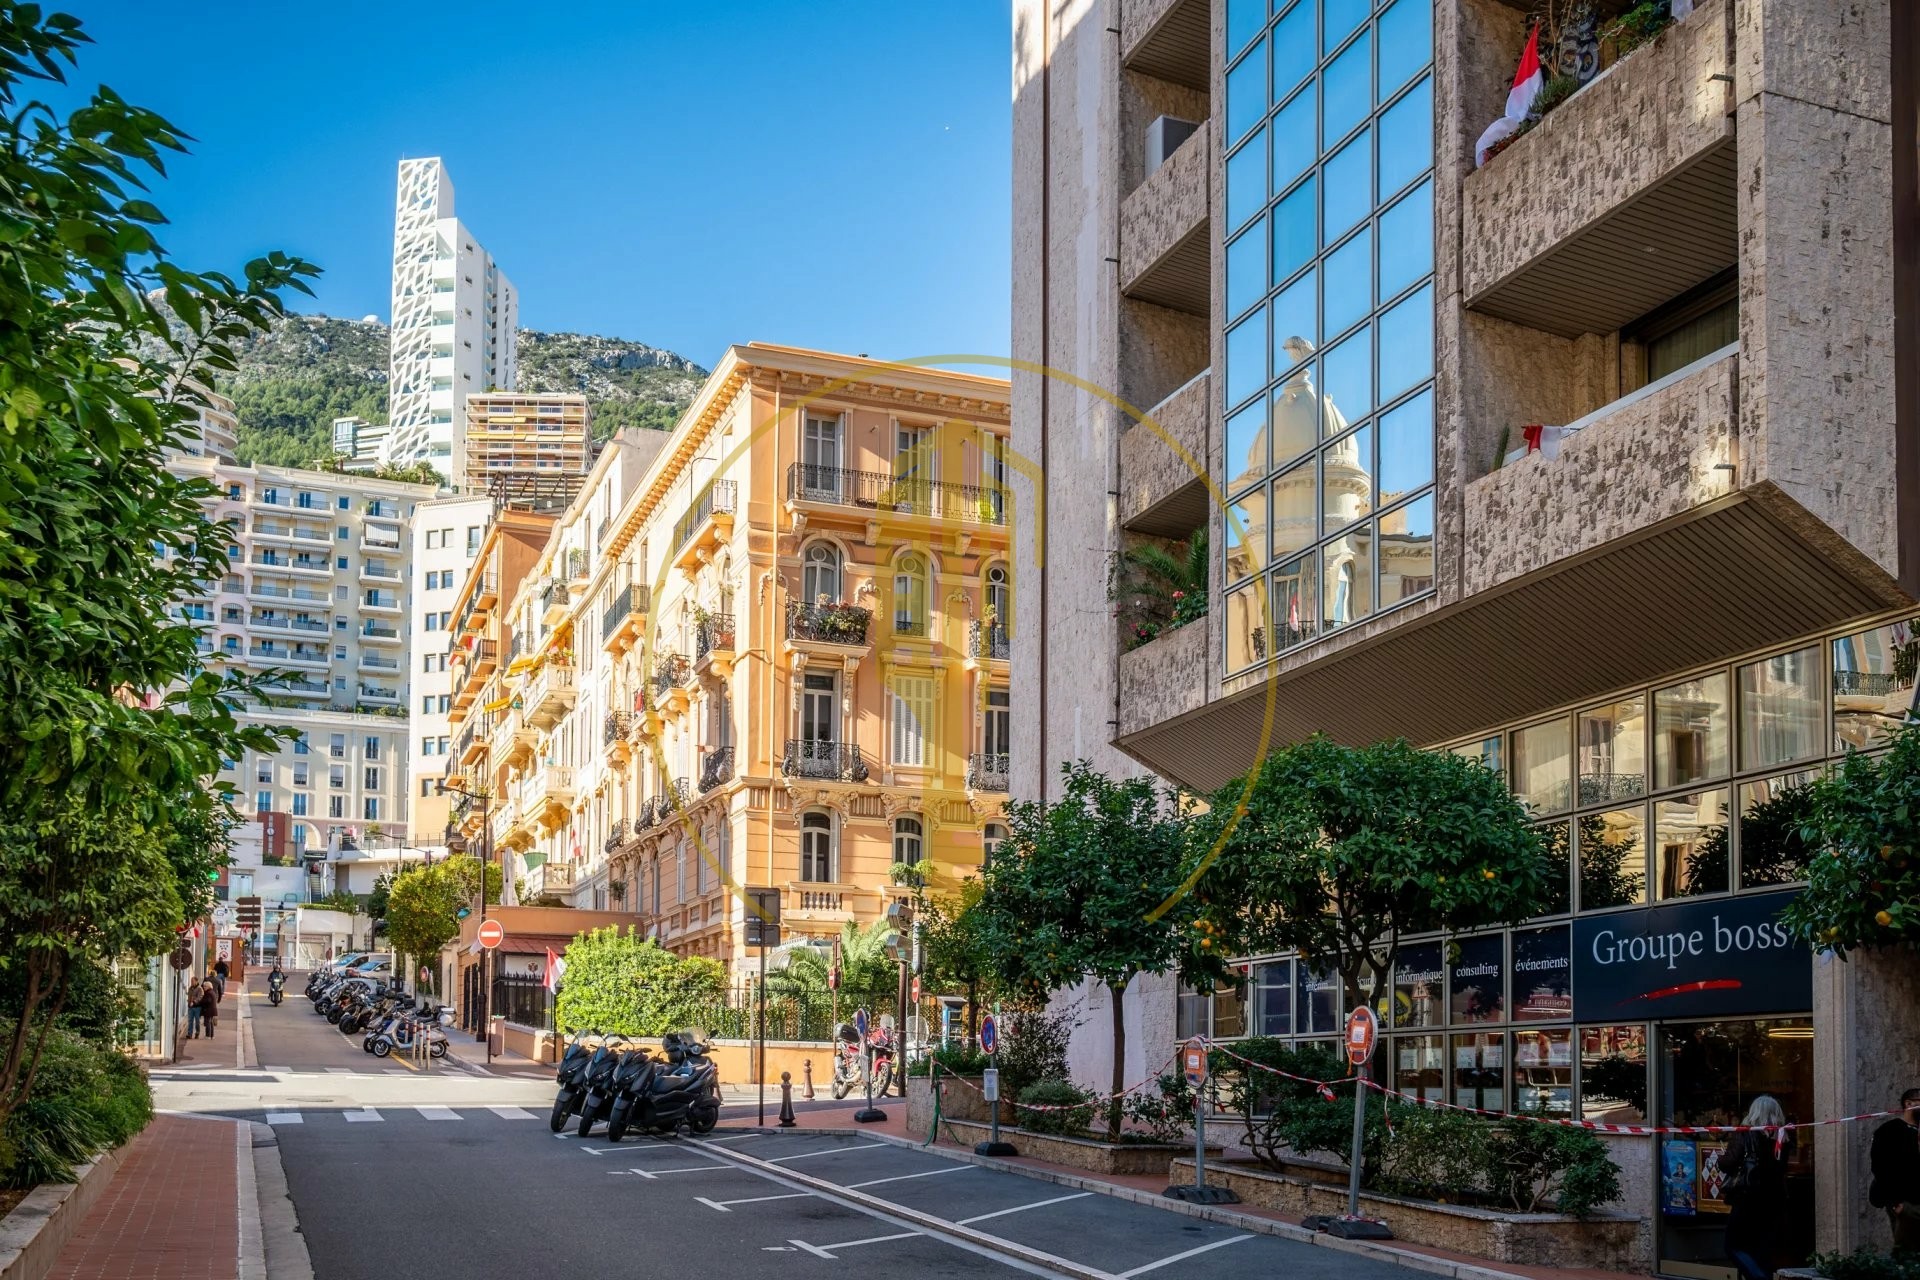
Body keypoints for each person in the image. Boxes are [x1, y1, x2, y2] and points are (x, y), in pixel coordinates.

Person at [1723, 1095, 1792, 1280]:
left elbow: (1728, 1163)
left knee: (1733, 1246)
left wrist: (1721, 1157)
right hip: (1774, 1199)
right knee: (1761, 1250)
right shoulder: (1783, 1136)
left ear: (1754, 1112)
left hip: (1748, 1198)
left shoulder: (1745, 1133)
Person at [1870, 1086, 1920, 1251]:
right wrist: (1896, 1203)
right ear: (1909, 1104)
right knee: (1907, 1254)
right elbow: (1880, 1167)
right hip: (1906, 1205)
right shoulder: (1890, 1131)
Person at [198, 974, 221, 1039]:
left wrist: (201, 1002)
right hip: (211, 1010)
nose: (204, 987)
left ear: (208, 987)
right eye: (204, 986)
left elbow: (207, 1001)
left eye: (205, 986)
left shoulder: (208, 993)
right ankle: (211, 1035)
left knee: (207, 1022)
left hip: (208, 1010)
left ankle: (208, 1035)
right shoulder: (212, 992)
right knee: (210, 1023)